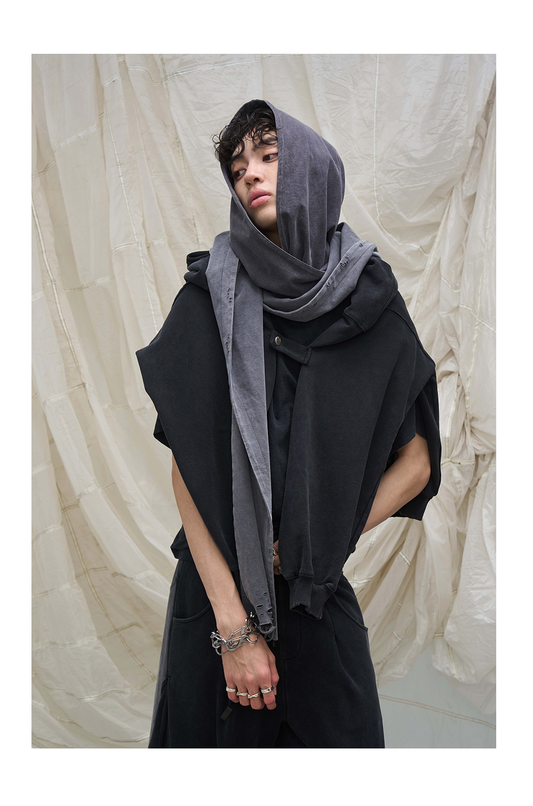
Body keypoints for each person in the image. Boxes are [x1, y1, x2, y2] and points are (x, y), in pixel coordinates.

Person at [135, 99, 442, 748]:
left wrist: (319, 539)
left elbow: (415, 463)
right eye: (237, 166)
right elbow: (188, 467)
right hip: (217, 594)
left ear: (309, 167)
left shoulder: (371, 301)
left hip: (311, 590)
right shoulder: (208, 296)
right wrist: (233, 630)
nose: (249, 173)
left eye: (269, 156)